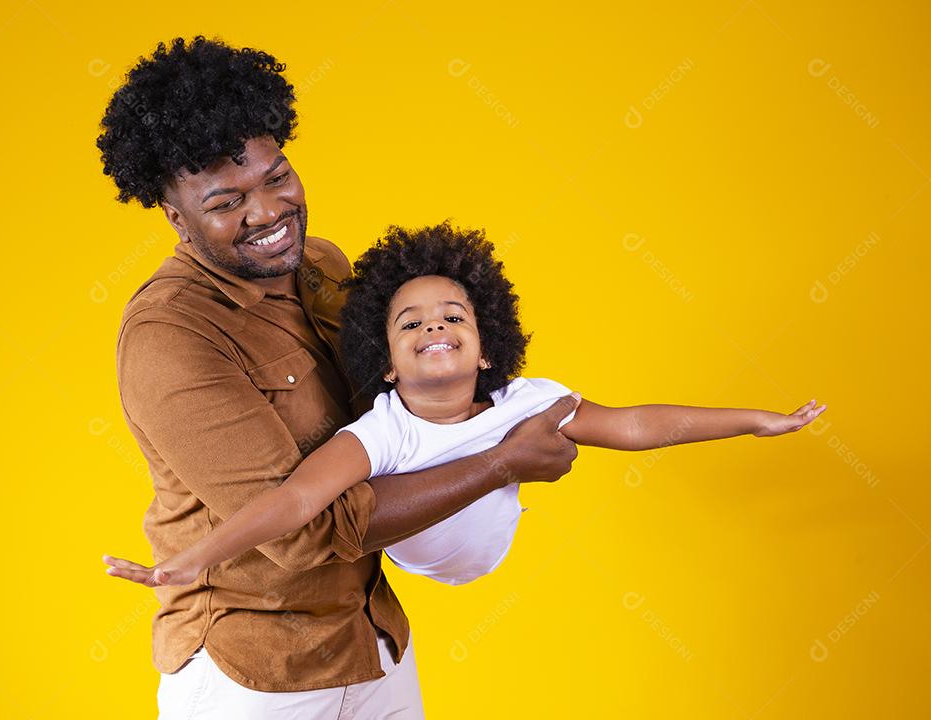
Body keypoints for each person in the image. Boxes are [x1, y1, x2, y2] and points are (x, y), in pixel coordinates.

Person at [97, 36, 579, 719]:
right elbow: (302, 530)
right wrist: (501, 461)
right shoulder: (171, 338)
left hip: (369, 639)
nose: (267, 212)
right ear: (177, 219)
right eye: (225, 202)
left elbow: (397, 409)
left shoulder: (319, 265)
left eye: (276, 176)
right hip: (251, 675)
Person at [105, 222, 827, 591]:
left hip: (492, 547)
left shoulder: (527, 404)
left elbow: (636, 424)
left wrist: (753, 420)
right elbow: (294, 504)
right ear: (385, 363)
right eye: (411, 324)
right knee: (336, 489)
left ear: (486, 349)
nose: (434, 329)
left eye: (453, 316)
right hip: (413, 559)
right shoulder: (378, 433)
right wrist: (199, 557)